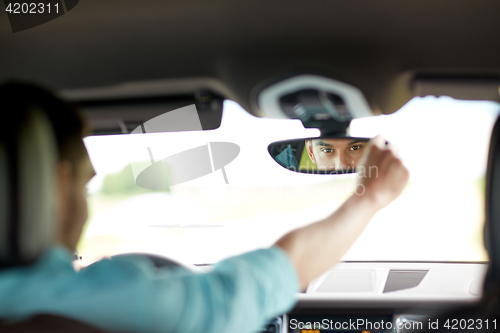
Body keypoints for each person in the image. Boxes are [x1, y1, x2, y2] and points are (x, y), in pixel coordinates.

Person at [0, 83, 409, 333]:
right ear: (53, 185)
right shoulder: (123, 301)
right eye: (85, 183)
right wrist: (370, 196)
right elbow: (276, 274)